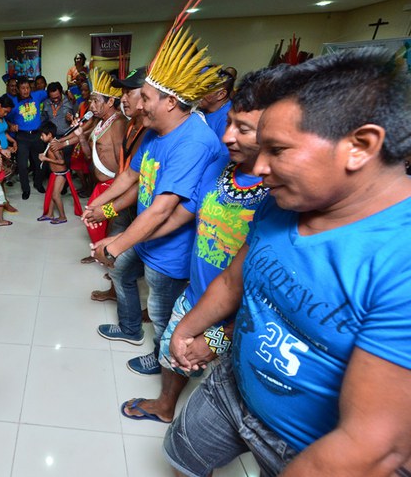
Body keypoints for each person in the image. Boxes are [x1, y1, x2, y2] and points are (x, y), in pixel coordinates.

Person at [164, 48, 411, 477]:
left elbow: (370, 446)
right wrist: (185, 329)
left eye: (277, 150)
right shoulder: (282, 202)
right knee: (179, 458)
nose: (259, 167)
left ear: (360, 146)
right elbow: (233, 281)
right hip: (231, 388)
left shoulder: (399, 261)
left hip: (304, 449)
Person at [119, 69, 270, 425]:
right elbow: (182, 214)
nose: (227, 136)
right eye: (228, 122)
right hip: (200, 291)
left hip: (241, 316)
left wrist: (218, 336)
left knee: (227, 398)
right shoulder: (221, 166)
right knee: (174, 351)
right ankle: (166, 404)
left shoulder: (281, 190)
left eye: (242, 129)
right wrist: (136, 239)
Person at [89, 28, 226, 377]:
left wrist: (116, 244)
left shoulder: (193, 141)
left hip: (170, 246)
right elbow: (132, 179)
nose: (140, 104)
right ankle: (131, 329)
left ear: (169, 101)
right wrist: (98, 208)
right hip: (147, 233)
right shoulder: (155, 132)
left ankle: (163, 359)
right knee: (121, 272)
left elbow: (165, 207)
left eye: (145, 97)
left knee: (163, 312)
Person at [82, 66, 148, 303]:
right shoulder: (133, 124)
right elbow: (129, 173)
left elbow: (138, 183)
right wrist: (101, 203)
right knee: (116, 239)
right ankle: (118, 285)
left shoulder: (146, 130)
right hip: (121, 193)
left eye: (129, 93)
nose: (123, 98)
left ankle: (130, 299)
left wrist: (106, 207)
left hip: (134, 201)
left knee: (123, 244)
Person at [73, 68, 126, 251]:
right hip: (101, 185)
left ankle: (110, 260)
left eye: (95, 101)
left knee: (113, 223)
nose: (91, 106)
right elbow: (89, 155)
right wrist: (80, 136)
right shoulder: (100, 122)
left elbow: (123, 160)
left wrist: (117, 190)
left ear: (111, 101)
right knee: (93, 219)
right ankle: (99, 252)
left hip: (114, 187)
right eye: (90, 101)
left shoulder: (118, 123)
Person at [7, 77, 49, 199]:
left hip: (36, 135)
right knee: (22, 164)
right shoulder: (13, 102)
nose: (25, 91)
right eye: (23, 88)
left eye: (27, 88)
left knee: (40, 162)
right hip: (22, 137)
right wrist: (11, 125)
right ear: (18, 89)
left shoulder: (37, 95)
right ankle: (25, 189)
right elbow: (6, 118)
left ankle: (38, 183)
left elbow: (52, 92)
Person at [37, 121, 82, 224]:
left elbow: (62, 161)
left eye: (42, 135)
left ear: (49, 135)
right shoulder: (51, 143)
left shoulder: (54, 146)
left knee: (55, 195)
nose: (40, 137)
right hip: (55, 174)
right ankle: (50, 214)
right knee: (52, 194)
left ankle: (62, 217)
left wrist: (46, 159)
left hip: (61, 174)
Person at [199, 66, 235, 140]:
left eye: (204, 88)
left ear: (221, 94)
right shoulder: (202, 109)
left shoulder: (227, 118)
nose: (197, 93)